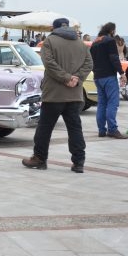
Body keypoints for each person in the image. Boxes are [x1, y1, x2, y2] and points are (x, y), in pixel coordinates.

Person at [22, 18, 93, 173]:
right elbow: (89, 64)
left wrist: (66, 78)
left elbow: (49, 63)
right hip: (74, 94)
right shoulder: (80, 43)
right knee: (75, 129)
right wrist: (76, 78)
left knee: (45, 128)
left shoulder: (49, 41)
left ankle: (39, 159)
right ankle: (79, 162)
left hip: (54, 94)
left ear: (53, 28)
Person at [90, 22, 128, 139]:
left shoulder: (95, 42)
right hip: (108, 77)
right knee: (113, 103)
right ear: (112, 31)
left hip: (97, 77)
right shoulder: (110, 41)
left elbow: (91, 61)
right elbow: (114, 58)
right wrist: (122, 73)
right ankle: (112, 129)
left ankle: (101, 130)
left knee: (102, 104)